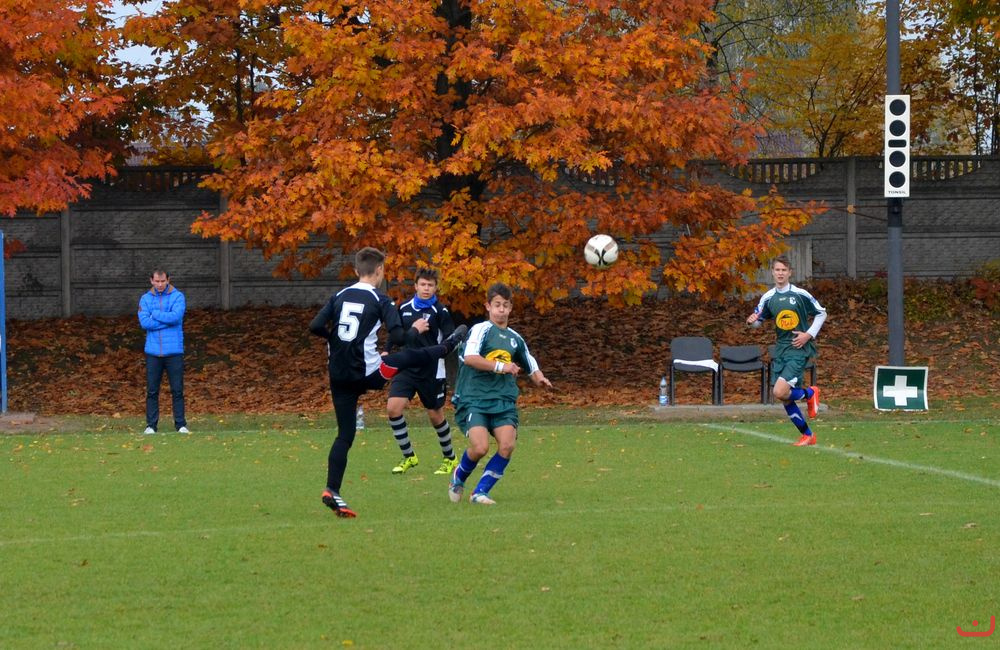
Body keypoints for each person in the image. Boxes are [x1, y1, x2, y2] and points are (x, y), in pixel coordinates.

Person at [309, 248, 467, 518]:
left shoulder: (339, 296)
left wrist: (333, 338)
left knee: (344, 435)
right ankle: (447, 347)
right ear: (380, 270)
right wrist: (415, 329)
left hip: (338, 375)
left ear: (356, 271)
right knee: (406, 357)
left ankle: (332, 489)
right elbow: (401, 337)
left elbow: (315, 326)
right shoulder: (381, 300)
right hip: (368, 374)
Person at [448, 282, 552, 506]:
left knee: (507, 446)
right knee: (480, 448)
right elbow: (470, 358)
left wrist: (539, 378)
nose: (501, 310)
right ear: (488, 306)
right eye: (497, 305)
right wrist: (501, 366)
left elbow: (529, 362)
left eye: (505, 305)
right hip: (475, 398)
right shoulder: (481, 329)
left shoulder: (515, 338)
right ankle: (459, 474)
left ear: (511, 308)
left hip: (503, 400)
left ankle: (480, 492)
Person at [385, 268, 460, 476]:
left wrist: (444, 349)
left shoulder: (440, 311)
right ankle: (409, 456)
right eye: (423, 284)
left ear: (435, 288)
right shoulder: (404, 308)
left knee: (435, 416)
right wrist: (386, 350)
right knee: (393, 409)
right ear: (416, 286)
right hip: (407, 366)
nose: (426, 288)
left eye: (430, 285)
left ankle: (450, 458)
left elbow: (450, 339)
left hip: (431, 369)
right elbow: (396, 333)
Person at [746, 255, 826, 446]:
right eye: (777, 270)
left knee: (779, 391)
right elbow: (758, 321)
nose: (780, 273)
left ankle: (810, 393)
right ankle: (808, 435)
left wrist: (808, 335)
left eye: (784, 270)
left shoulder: (800, 294)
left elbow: (822, 313)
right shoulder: (768, 297)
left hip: (798, 348)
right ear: (772, 272)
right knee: (784, 397)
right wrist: (751, 322)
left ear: (790, 273)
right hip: (781, 350)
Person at [138, 269, 189, 435]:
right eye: (157, 281)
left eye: (162, 281)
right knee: (152, 391)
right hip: (153, 352)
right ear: (151, 281)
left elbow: (176, 317)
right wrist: (166, 320)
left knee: (177, 390)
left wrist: (155, 314)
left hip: (174, 351)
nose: (160, 284)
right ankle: (151, 425)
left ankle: (180, 424)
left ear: (168, 280)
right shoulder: (145, 299)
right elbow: (145, 323)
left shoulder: (178, 296)